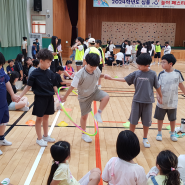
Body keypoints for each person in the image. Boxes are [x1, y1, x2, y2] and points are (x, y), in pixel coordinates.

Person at [105, 53, 162, 148]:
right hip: (136, 101)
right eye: (138, 64)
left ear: (147, 65)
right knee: (133, 120)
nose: (138, 66)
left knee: (146, 122)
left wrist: (160, 96)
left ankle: (145, 138)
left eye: (140, 65)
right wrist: (112, 79)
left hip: (148, 102)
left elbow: (157, 86)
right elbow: (125, 79)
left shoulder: (152, 74)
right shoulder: (136, 73)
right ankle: (130, 139)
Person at [60, 53, 109, 143]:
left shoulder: (96, 68)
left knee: (106, 97)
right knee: (84, 116)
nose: (93, 69)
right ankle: (84, 134)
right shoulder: (79, 74)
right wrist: (65, 97)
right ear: (86, 62)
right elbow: (72, 87)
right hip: (84, 97)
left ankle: (98, 113)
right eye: (91, 67)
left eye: (95, 67)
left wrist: (104, 75)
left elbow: (98, 75)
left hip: (94, 91)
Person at [19, 49, 59, 147]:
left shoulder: (50, 73)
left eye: (50, 62)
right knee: (39, 119)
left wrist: (59, 96)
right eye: (48, 62)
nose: (50, 64)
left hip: (49, 98)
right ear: (41, 61)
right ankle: (39, 138)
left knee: (46, 117)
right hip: (40, 99)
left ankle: (45, 136)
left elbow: (54, 85)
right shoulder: (34, 73)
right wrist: (20, 96)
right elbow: (28, 87)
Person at [154, 54, 185, 142]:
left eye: (164, 62)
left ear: (170, 64)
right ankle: (159, 132)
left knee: (173, 118)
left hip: (173, 102)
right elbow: (158, 86)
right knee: (160, 118)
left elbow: (181, 85)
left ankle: (172, 133)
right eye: (162, 62)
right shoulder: (161, 74)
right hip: (162, 102)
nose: (162, 64)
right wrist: (158, 96)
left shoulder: (177, 73)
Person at [0, 52, 19, 155]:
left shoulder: (2, 70)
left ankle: (1, 138)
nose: (0, 67)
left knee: (4, 121)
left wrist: (12, 94)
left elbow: (7, 81)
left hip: (3, 103)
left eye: (1, 65)